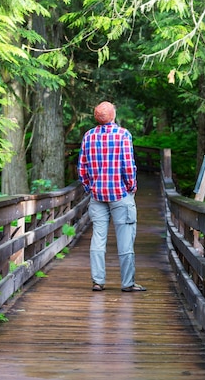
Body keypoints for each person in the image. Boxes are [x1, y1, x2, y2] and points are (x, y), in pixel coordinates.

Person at [78, 101, 146, 292]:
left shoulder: (88, 136)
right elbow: (128, 165)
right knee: (125, 240)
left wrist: (89, 188)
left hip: (97, 196)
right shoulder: (123, 134)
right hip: (120, 194)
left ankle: (98, 281)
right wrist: (131, 187)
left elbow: (82, 167)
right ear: (113, 115)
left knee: (98, 238)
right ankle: (127, 283)